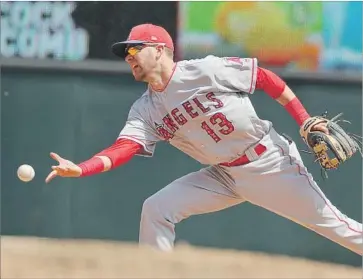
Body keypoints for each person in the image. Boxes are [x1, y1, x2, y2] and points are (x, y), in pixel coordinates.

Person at [45, 23, 362, 254]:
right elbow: (124, 147)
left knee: (341, 229)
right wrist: (82, 168)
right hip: (222, 175)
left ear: (160, 50)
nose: (128, 56)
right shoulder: (145, 109)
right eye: (125, 53)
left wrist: (303, 118)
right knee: (157, 209)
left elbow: (264, 78)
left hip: (269, 164)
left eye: (134, 49)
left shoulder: (203, 70)